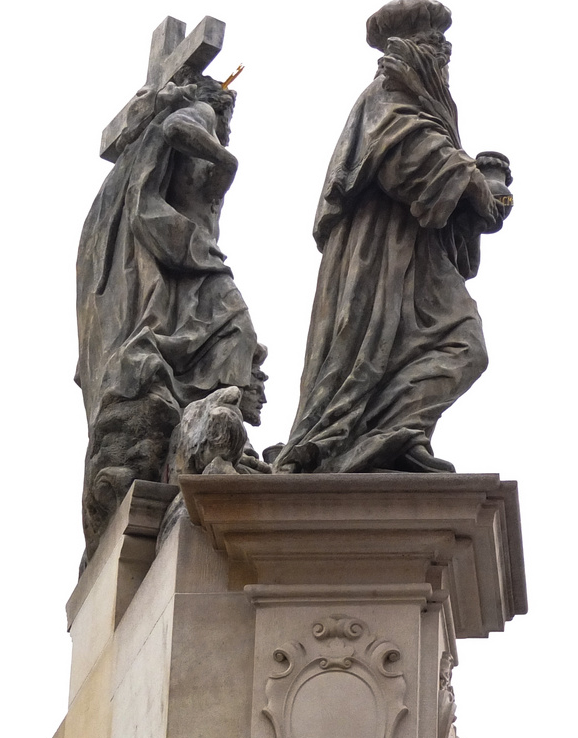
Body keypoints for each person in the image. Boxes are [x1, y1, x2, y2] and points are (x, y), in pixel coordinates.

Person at [267, 0, 512, 474]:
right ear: (413, 47)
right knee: (462, 343)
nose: (445, 56)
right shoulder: (387, 89)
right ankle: (374, 435)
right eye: (436, 46)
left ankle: (391, 434)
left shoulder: (417, 97)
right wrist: (473, 181)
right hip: (382, 253)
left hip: (416, 252)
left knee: (454, 345)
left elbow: (431, 164)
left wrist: (475, 193)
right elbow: (403, 153)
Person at [75, 74, 269, 566]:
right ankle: (216, 427)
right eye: (226, 112)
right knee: (236, 324)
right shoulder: (201, 115)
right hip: (188, 254)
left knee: (225, 329)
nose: (226, 124)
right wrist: (225, 158)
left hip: (185, 257)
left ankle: (212, 430)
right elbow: (179, 129)